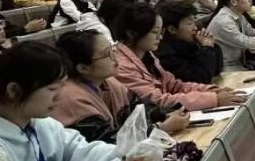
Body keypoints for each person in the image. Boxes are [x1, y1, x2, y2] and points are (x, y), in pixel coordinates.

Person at [54, 30, 189, 142]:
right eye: (107, 54)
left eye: (112, 50)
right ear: (83, 68)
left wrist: (166, 114)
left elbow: (139, 108)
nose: (115, 57)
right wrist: (160, 128)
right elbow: (105, 141)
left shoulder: (109, 82)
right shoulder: (71, 98)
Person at [114, 2, 236, 111]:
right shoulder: (122, 66)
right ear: (131, 33)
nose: (160, 37)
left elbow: (174, 85)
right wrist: (213, 99)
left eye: (160, 32)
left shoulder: (147, 54)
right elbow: (157, 101)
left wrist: (211, 90)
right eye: (154, 32)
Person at [157, 1, 223, 85]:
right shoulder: (166, 55)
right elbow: (201, 79)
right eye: (189, 23)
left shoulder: (188, 44)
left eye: (194, 22)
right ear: (172, 29)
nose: (195, 28)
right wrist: (207, 48)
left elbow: (216, 70)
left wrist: (210, 45)